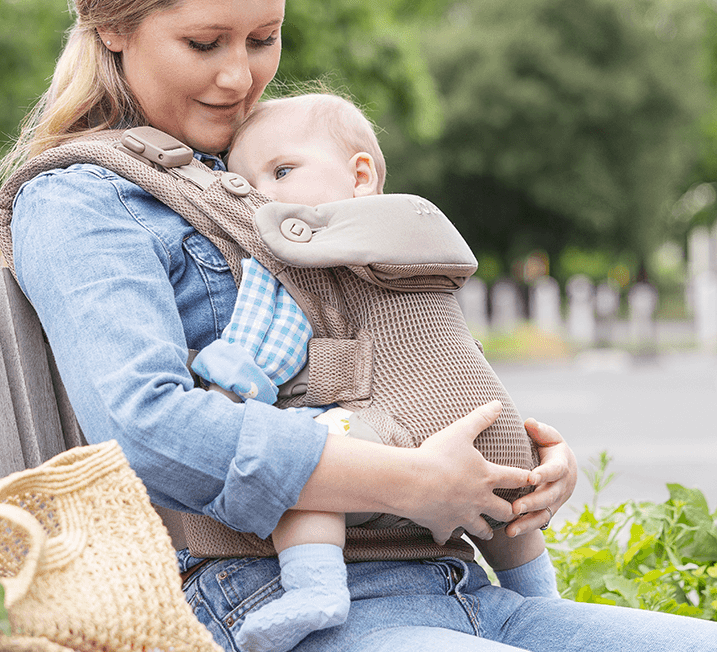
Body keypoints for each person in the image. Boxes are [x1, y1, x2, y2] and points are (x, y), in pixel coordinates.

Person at [0, 0, 717, 650]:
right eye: (204, 41)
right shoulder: (80, 198)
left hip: (460, 587)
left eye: (264, 37)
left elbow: (393, 358)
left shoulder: (262, 173)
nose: (238, 75)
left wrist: (511, 464)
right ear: (113, 24)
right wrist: (413, 483)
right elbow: (147, 426)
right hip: (273, 605)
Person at [188, 93, 556, 652]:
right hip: (483, 424)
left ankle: (315, 588)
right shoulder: (425, 242)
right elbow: (456, 349)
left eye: (282, 171)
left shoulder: (295, 265)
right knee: (508, 490)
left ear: (360, 174)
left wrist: (229, 382)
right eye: (247, 184)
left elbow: (269, 345)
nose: (263, 197)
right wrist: (538, 450)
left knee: (306, 455)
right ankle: (541, 598)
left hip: (388, 434)